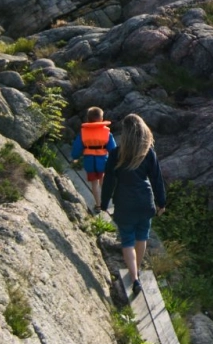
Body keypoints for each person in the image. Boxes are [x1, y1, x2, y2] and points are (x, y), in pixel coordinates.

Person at [100, 113, 166, 297]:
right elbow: (157, 180)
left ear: (125, 134)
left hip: (124, 202)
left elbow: (109, 182)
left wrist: (104, 203)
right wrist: (162, 203)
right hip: (145, 201)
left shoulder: (116, 154)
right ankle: (135, 271)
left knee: (127, 240)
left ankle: (134, 277)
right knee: (142, 237)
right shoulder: (148, 153)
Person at [70, 107, 115, 209]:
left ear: (88, 119)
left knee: (94, 184)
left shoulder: (83, 132)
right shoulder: (107, 133)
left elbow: (77, 147)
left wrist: (75, 157)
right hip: (103, 161)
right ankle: (105, 202)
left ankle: (98, 205)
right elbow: (113, 149)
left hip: (89, 161)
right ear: (101, 119)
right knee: (102, 181)